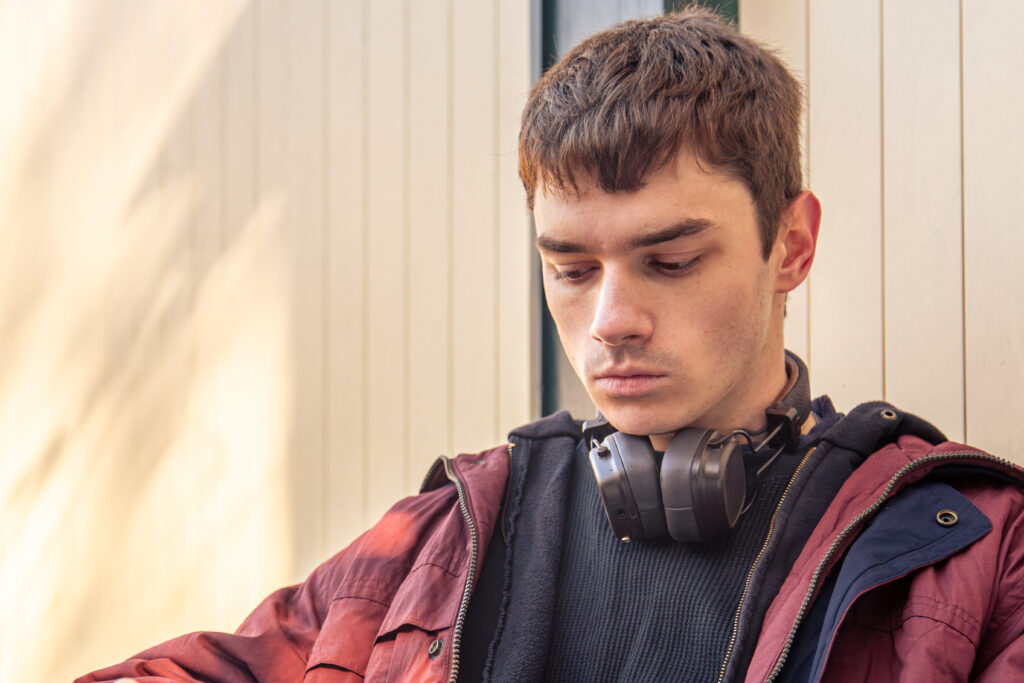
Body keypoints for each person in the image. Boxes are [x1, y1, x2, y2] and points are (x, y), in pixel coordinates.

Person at [80, 8, 1024, 682]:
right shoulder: (448, 532)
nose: (611, 319)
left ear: (793, 244)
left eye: (672, 259)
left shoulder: (978, 550)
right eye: (572, 269)